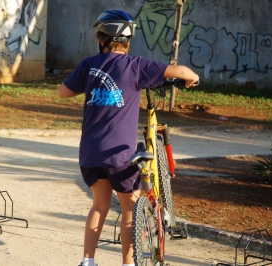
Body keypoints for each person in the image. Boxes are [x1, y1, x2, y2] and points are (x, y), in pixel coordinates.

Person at [56, 10, 199, 266]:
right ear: (128, 40)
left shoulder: (88, 66)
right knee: (130, 208)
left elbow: (62, 93)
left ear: (101, 39)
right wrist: (192, 79)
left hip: (90, 153)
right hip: (120, 154)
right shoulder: (136, 66)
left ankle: (87, 261)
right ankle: (127, 263)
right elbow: (184, 72)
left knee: (99, 205)